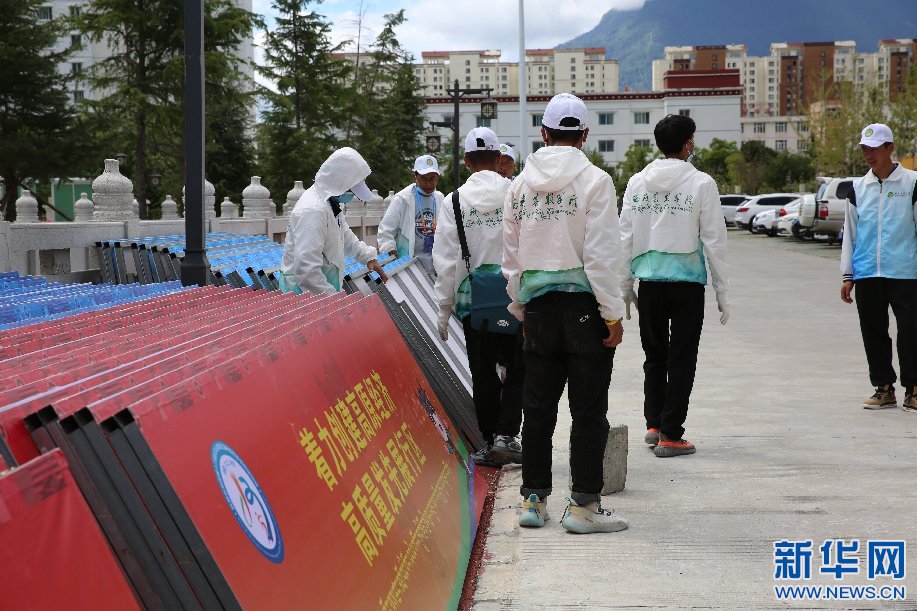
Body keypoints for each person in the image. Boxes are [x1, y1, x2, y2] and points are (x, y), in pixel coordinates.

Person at [503, 92, 628, 534]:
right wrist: (612, 315)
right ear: (585, 135)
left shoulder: (519, 185)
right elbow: (601, 256)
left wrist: (521, 308)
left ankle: (533, 501)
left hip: (538, 309)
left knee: (537, 409)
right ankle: (583, 509)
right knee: (588, 411)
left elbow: (511, 259)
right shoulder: (596, 181)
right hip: (584, 310)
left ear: (544, 133)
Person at [619, 114, 730, 459]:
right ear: (688, 144)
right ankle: (671, 434)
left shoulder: (637, 182)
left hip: (649, 283)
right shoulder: (701, 184)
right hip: (686, 284)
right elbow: (714, 240)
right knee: (682, 358)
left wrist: (625, 284)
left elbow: (625, 237)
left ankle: (654, 423)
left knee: (655, 356)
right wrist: (722, 290)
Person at [433, 127, 524, 468]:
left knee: (483, 372)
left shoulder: (453, 201)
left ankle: (490, 442)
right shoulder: (516, 192)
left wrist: (444, 308)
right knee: (518, 369)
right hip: (516, 294)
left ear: (467, 161)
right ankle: (507, 435)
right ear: (499, 158)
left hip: (474, 301)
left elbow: (446, 259)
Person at [840, 123, 917, 412]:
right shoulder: (858, 188)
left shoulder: (912, 183)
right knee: (873, 332)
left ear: (890, 148)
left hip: (906, 272)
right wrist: (848, 274)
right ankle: (883, 388)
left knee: (910, 330)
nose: (868, 155)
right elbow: (850, 234)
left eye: (874, 149)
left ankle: (914, 389)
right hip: (868, 273)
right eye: (864, 149)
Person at [280, 147, 387, 295]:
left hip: (322, 293)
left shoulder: (331, 202)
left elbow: (344, 236)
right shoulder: (312, 211)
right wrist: (335, 299)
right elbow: (307, 271)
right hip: (304, 295)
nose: (352, 195)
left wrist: (367, 257)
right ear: (339, 184)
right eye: (351, 190)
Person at [377, 155, 444, 276]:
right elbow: (385, 232)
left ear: (438, 178)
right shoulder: (402, 199)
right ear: (415, 177)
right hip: (409, 268)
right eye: (424, 178)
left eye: (432, 178)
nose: (428, 183)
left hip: (435, 268)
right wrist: (390, 251)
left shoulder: (440, 198)